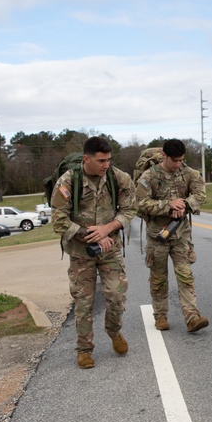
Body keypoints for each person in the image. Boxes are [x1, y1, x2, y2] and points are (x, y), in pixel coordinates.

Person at [50, 136, 136, 369]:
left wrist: (107, 229)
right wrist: (89, 233)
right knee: (84, 303)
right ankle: (84, 349)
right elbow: (58, 220)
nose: (105, 165)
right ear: (86, 159)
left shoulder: (118, 178)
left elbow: (129, 210)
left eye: (108, 159)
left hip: (110, 249)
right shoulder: (68, 182)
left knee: (117, 295)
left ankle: (114, 331)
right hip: (81, 252)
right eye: (100, 160)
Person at [135, 139, 209, 333]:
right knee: (159, 278)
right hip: (157, 236)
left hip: (181, 234)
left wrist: (184, 203)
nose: (177, 164)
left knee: (185, 275)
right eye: (174, 160)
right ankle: (160, 316)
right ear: (164, 156)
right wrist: (168, 205)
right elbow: (140, 203)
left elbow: (201, 195)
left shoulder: (189, 174)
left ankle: (192, 316)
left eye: (181, 160)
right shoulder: (149, 176)